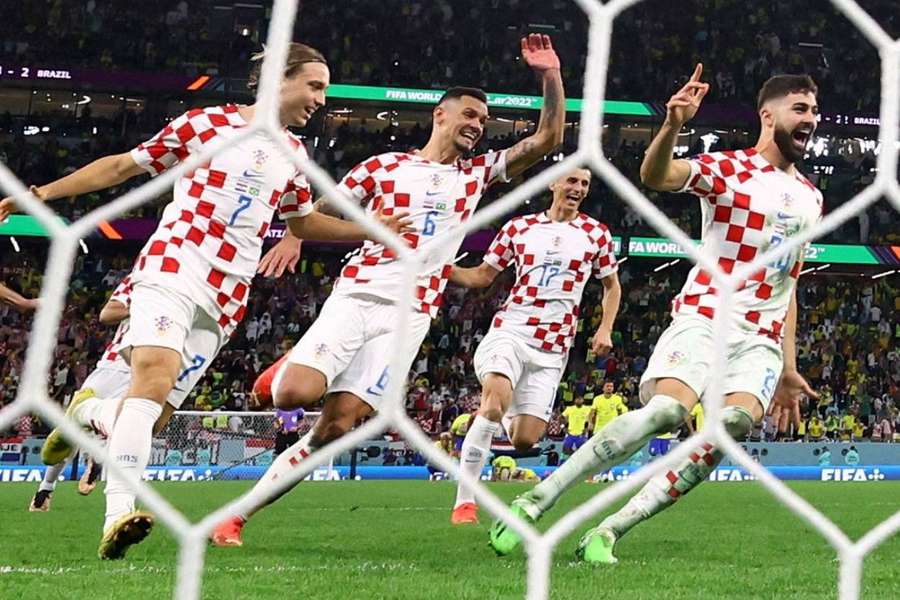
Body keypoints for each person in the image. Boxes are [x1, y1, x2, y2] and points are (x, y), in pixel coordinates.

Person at [4, 42, 403, 560]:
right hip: (175, 263)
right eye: (315, 86)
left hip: (228, 294)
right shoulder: (205, 125)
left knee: (153, 414)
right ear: (279, 78)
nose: (321, 100)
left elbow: (301, 221)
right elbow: (124, 166)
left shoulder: (296, 154)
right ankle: (118, 513)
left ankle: (91, 414)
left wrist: (368, 229)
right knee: (153, 379)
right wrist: (42, 194)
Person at [210, 33, 567, 548]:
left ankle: (234, 519)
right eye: (468, 115)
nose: (476, 126)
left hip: (410, 316)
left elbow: (547, 139)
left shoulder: (475, 176)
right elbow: (321, 210)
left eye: (483, 122)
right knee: (293, 394)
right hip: (358, 295)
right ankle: (281, 373)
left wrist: (549, 76)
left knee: (335, 429)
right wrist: (291, 237)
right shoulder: (382, 167)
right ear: (440, 116)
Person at [488, 68, 823, 563]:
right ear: (767, 115)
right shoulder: (731, 169)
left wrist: (790, 368)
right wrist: (671, 126)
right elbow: (656, 176)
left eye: (815, 111)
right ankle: (537, 499)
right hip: (707, 314)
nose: (811, 119)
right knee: (668, 412)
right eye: (801, 109)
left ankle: (610, 530)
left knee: (730, 426)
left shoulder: (813, 199)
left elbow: (787, 283)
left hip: (762, 338)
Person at [449, 166, 621, 525]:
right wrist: (440, 268)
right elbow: (483, 275)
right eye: (572, 180)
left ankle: (503, 412)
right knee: (492, 404)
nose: (578, 188)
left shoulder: (596, 234)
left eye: (585, 184)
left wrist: (605, 328)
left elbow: (611, 286)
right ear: (554, 183)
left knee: (525, 439)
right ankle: (465, 503)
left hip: (554, 346)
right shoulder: (518, 228)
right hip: (512, 330)